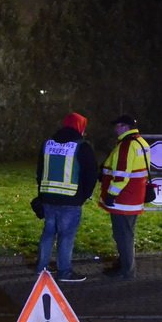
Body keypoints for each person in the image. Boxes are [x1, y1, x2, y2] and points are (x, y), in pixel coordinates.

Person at [34, 112, 98, 282]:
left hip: (48, 198)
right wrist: (83, 196)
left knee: (48, 233)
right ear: (80, 127)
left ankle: (41, 268)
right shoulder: (82, 146)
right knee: (66, 236)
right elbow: (91, 174)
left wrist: (42, 193)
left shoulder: (47, 144)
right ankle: (64, 272)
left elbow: (40, 171)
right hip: (71, 199)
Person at [99, 114, 151, 280]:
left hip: (122, 199)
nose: (115, 129)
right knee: (126, 234)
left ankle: (126, 271)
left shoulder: (126, 145)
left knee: (123, 236)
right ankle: (124, 265)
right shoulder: (141, 142)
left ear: (124, 127)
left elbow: (121, 175)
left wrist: (110, 195)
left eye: (118, 125)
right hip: (134, 198)